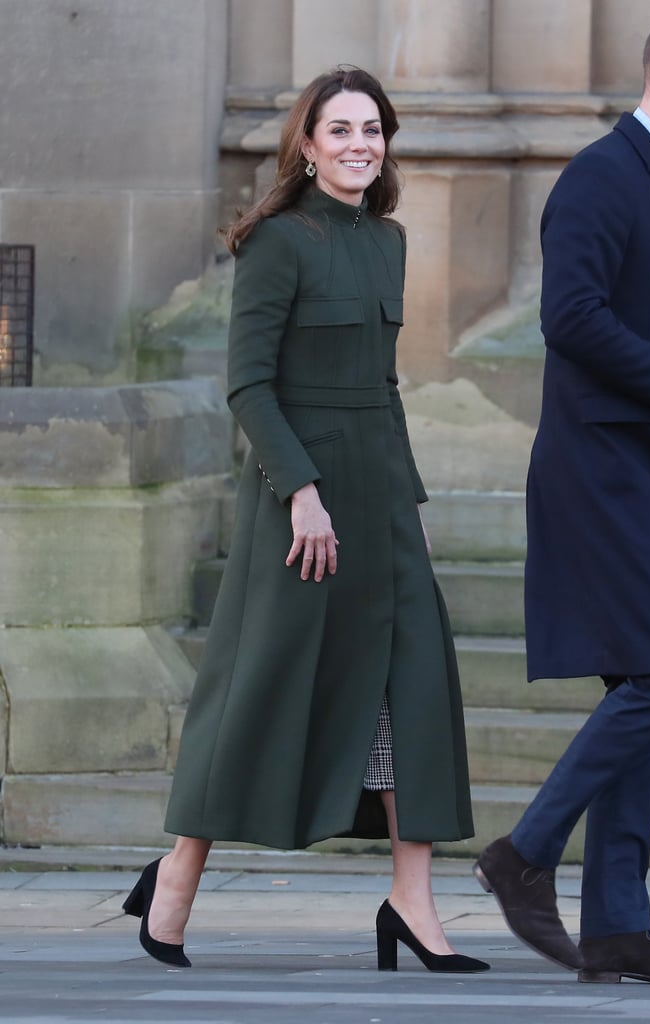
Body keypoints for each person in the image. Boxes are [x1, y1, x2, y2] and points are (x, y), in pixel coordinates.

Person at [123, 66, 488, 976]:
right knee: (259, 691)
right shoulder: (276, 244)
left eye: (373, 130)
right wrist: (302, 492)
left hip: (381, 500)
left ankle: (412, 899)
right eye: (341, 130)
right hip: (299, 504)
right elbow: (248, 384)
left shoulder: (389, 241)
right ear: (307, 143)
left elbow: (385, 386)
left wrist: (408, 500)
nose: (360, 145)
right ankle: (174, 880)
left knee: (415, 690)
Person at [473, 11, 650, 986]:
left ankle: (613, 923)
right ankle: (523, 852)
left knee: (642, 671)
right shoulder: (600, 175)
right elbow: (570, 319)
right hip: (601, 470)